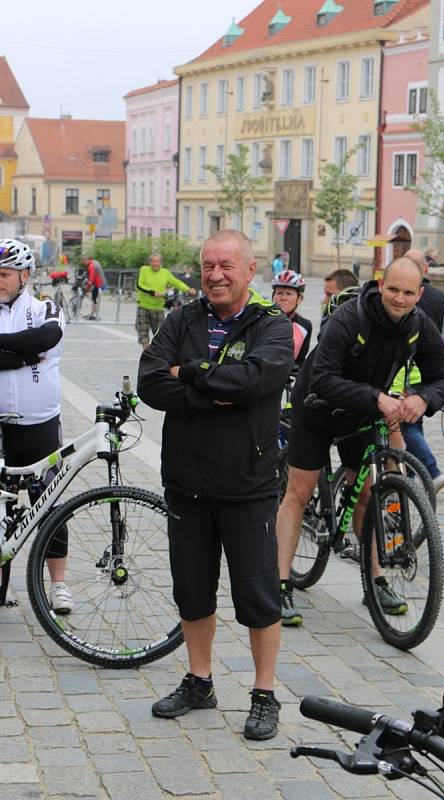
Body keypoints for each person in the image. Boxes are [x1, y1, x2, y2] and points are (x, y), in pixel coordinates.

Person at [137, 230, 293, 741]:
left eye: (227, 264)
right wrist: (210, 389)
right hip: (187, 481)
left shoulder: (272, 325)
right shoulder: (182, 317)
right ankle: (199, 681)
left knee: (258, 594)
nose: (215, 274)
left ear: (251, 271)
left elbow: (256, 379)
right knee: (191, 590)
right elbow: (151, 382)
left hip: (248, 484)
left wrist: (192, 374)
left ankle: (264, 694)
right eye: (207, 264)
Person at [277, 258, 444, 626]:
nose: (400, 298)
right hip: (317, 408)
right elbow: (324, 378)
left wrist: (423, 398)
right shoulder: (350, 317)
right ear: (380, 285)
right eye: (394, 289)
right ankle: (279, 584)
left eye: (409, 293)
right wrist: (378, 397)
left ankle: (375, 580)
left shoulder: (418, 325)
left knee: (368, 493)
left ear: (419, 295)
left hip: (362, 415)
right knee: (299, 491)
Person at [0, 239, 71, 613]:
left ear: (24, 275)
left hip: (40, 425)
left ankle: (58, 584)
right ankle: (2, 586)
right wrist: (23, 354)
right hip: (2, 427)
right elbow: (30, 348)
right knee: (3, 509)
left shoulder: (46, 307)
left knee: (49, 504)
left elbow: (45, 338)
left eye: (5, 274)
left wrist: (13, 350)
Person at [400, 248, 444, 492]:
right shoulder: (440, 297)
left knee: (407, 425)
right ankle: (411, 472)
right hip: (425, 374)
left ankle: (430, 470)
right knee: (413, 422)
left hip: (403, 375)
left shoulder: (398, 299)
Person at [136, 253, 195, 349]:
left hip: (158, 307)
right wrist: (153, 292)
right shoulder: (143, 270)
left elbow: (176, 282)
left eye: (158, 261)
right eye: (153, 261)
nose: (155, 263)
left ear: (161, 263)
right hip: (143, 306)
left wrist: (188, 289)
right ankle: (146, 352)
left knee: (160, 334)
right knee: (143, 332)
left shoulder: (165, 272)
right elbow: (139, 285)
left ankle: (157, 354)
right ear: (150, 262)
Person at [271, 270, 312, 367]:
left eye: (288, 294)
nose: (283, 298)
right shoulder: (262, 320)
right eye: (279, 293)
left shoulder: (305, 325)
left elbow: (300, 361)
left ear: (299, 299)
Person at [82, 256, 106, 320]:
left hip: (98, 285)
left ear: (86, 260)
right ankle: (93, 314)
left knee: (95, 300)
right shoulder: (95, 262)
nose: (83, 264)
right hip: (100, 283)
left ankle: (95, 316)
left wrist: (87, 287)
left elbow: (91, 278)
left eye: (83, 262)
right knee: (94, 300)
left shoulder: (91, 266)